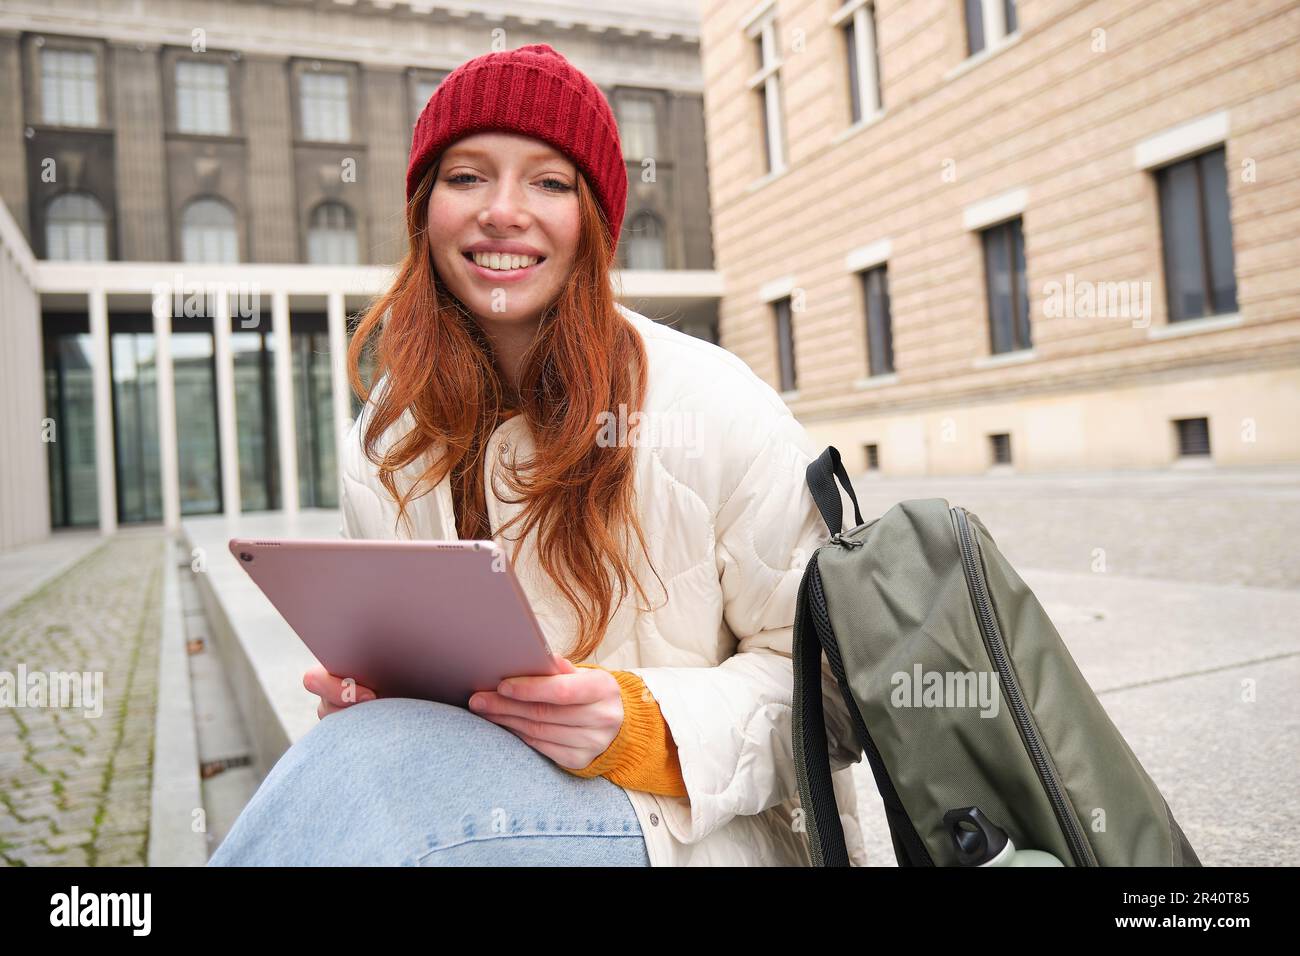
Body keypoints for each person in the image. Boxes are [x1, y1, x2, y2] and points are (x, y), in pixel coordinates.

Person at [208, 43, 866, 867]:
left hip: (690, 830)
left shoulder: (714, 404)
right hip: (484, 798)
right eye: (467, 176)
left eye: (549, 182)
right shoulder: (388, 434)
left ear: (593, 220)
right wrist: (382, 702)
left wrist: (639, 723)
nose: (502, 212)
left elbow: (835, 704)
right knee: (349, 758)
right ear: (424, 209)